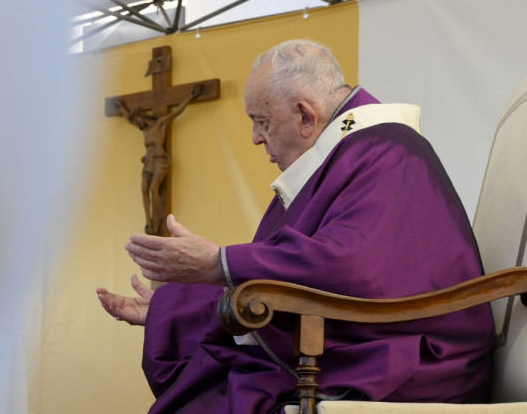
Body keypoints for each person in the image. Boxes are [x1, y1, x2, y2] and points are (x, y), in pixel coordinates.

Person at [96, 39, 494, 413]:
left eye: (261, 121)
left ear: (306, 115)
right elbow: (305, 281)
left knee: (223, 393)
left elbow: (351, 269)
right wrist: (175, 311)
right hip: (374, 346)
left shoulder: (388, 152)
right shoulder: (347, 156)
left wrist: (218, 263)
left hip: (417, 363)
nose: (255, 138)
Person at [113, 84, 202, 235]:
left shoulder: (159, 124)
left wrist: (190, 96)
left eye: (137, 121)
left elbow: (177, 112)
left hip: (160, 160)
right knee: (143, 188)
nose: (136, 124)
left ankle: (156, 221)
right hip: (148, 162)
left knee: (154, 188)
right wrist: (120, 107)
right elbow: (129, 118)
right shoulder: (144, 129)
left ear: (142, 117)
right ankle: (149, 221)